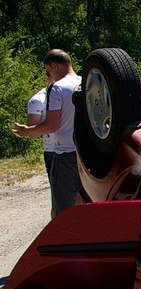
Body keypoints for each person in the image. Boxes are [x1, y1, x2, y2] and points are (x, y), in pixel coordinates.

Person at [12, 49, 82, 218]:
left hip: (65, 153)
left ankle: (62, 240)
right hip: (86, 152)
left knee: (62, 207)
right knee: (85, 200)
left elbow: (51, 125)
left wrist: (28, 131)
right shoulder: (85, 81)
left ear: (54, 66)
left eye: (48, 70)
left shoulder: (57, 88)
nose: (48, 74)